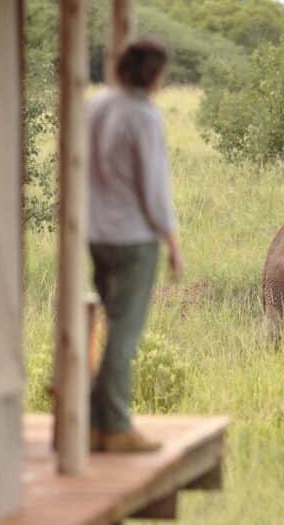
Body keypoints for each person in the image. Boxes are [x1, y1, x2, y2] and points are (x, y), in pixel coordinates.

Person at [86, 37, 184, 453]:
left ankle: (93, 425)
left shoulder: (97, 104)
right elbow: (154, 189)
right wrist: (172, 242)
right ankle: (116, 427)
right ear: (153, 74)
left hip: (96, 234)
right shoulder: (144, 115)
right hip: (134, 238)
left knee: (110, 326)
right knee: (124, 335)